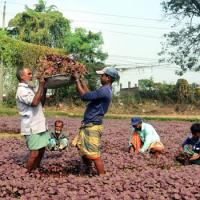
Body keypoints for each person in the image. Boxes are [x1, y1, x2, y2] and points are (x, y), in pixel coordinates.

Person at [72, 66, 119, 175]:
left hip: (92, 126)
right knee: (83, 150)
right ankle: (87, 170)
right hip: (88, 125)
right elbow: (89, 95)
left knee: (94, 155)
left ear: (108, 78)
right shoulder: (104, 90)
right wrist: (82, 81)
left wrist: (77, 80)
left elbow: (84, 96)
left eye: (102, 75)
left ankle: (102, 179)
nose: (100, 77)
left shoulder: (104, 90)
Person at [16, 67, 50, 172]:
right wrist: (41, 85)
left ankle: (36, 169)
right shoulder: (21, 91)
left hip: (39, 124)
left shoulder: (29, 88)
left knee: (42, 149)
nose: (31, 75)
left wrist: (45, 88)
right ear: (22, 76)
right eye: (29, 74)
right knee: (34, 153)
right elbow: (34, 103)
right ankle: (27, 174)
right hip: (32, 126)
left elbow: (40, 101)